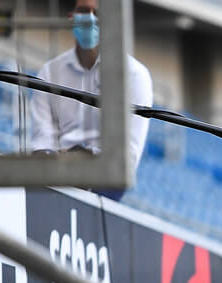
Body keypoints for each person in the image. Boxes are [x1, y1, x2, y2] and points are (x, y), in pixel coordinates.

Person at [29, 0, 152, 180]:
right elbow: (41, 140)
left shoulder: (133, 75)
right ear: (71, 18)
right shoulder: (49, 73)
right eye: (84, 11)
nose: (90, 19)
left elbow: (126, 158)